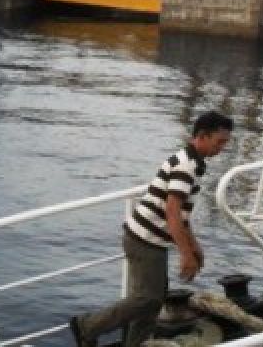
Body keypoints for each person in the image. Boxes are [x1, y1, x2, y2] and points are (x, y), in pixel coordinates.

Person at [70, 112, 235, 347]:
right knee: (147, 298)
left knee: (153, 302)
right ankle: (87, 326)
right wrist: (186, 254)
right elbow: (172, 212)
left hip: (151, 239)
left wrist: (195, 246)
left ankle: (137, 344)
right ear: (202, 136)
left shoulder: (194, 164)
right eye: (219, 141)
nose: (222, 148)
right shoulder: (186, 167)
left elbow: (182, 215)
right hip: (145, 239)